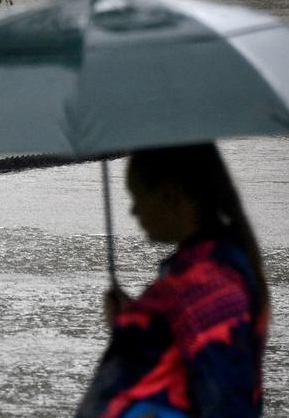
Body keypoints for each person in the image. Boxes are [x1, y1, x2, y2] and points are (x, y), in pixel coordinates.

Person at [76, 143, 269, 418]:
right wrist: (133, 321)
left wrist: (132, 328)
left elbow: (227, 403)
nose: (134, 211)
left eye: (138, 197)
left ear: (171, 195)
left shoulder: (206, 288)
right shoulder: (207, 272)